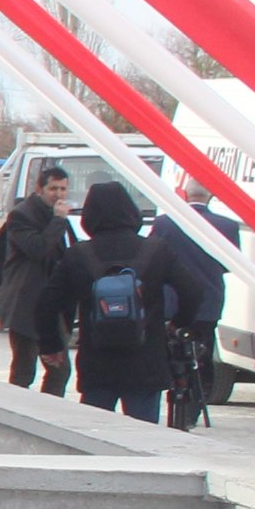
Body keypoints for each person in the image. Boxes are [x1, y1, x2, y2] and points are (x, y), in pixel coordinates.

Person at [53, 180, 180, 423]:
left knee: (95, 433)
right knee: (143, 436)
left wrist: (52, 344)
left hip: (98, 360)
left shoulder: (79, 254)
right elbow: (193, 290)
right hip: (145, 359)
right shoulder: (156, 250)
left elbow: (49, 302)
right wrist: (177, 323)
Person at [140, 185, 231, 434]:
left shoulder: (165, 223)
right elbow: (228, 264)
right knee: (201, 355)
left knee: (168, 355)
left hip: (172, 302)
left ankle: (173, 401)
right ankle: (192, 409)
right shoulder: (227, 225)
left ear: (185, 195)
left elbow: (151, 258)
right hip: (209, 303)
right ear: (210, 194)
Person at [0, 164, 76, 394]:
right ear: (40, 189)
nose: (59, 194)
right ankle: (18, 417)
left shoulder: (57, 216)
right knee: (24, 370)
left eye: (64, 189)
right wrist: (58, 221)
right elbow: (38, 249)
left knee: (59, 369)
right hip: (25, 305)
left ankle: (46, 417)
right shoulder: (22, 215)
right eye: (53, 188)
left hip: (51, 305)